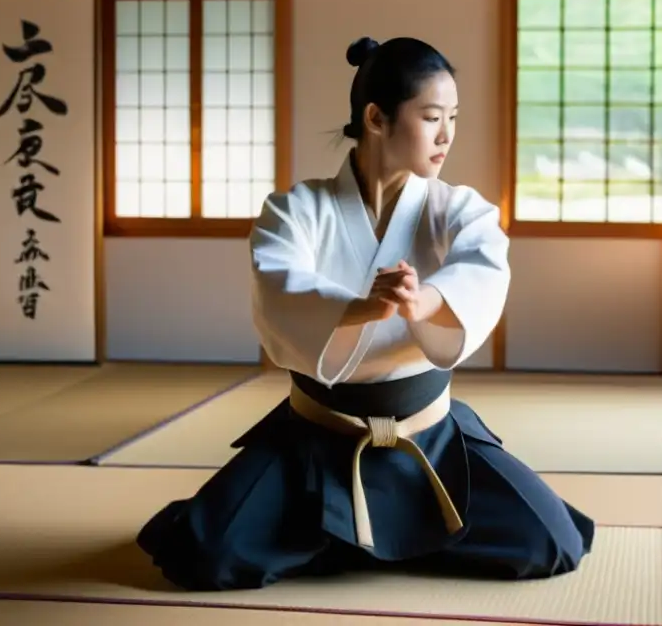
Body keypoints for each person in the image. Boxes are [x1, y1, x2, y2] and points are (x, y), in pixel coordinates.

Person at [137, 36, 595, 591]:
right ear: (377, 118)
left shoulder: (456, 208)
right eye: (431, 117)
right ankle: (372, 535)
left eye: (453, 117)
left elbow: (483, 264)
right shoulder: (297, 211)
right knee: (206, 558)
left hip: (429, 438)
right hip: (315, 440)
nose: (447, 134)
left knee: (550, 542)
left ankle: (347, 538)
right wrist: (359, 308)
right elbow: (280, 284)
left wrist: (424, 301)